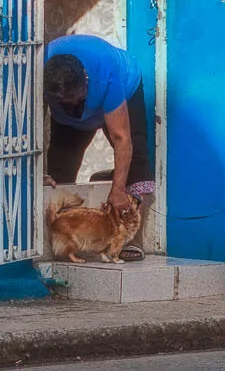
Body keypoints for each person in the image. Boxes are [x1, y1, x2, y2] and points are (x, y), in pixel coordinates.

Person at [42, 35, 154, 259]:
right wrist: (38, 170)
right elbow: (29, 124)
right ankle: (62, 238)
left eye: (76, 99)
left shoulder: (106, 76)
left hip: (125, 90)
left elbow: (122, 138)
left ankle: (128, 241)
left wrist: (118, 189)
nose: (74, 105)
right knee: (59, 168)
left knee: (138, 162)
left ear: (85, 81)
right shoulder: (39, 72)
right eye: (65, 101)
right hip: (68, 117)